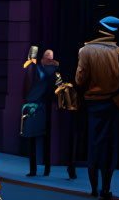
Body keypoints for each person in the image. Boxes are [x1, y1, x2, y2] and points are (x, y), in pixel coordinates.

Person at [75, 16, 119, 200]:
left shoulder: (85, 51)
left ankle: (93, 188)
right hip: (112, 105)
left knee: (94, 144)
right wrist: (118, 102)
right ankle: (106, 188)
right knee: (109, 146)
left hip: (92, 104)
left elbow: (79, 80)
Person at [21, 47, 57, 176]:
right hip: (36, 106)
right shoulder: (35, 70)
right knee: (34, 139)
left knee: (42, 138)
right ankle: (36, 169)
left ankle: (42, 169)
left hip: (42, 106)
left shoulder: (47, 71)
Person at [53, 51, 80, 179]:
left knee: (69, 137)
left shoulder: (61, 71)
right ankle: (71, 165)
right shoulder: (79, 70)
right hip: (75, 106)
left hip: (66, 106)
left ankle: (70, 165)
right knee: (73, 136)